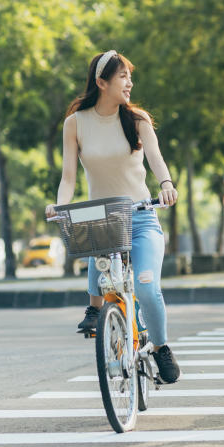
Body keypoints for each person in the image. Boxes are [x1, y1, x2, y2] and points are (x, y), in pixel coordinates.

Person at [45, 50, 181, 384]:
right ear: (101, 82)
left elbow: (157, 161)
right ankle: (97, 311)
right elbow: (68, 178)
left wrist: (166, 184)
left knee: (148, 288)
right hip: (102, 222)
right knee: (95, 258)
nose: (130, 83)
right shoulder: (76, 123)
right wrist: (59, 206)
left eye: (130, 76)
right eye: (123, 76)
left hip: (141, 218)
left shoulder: (137, 121)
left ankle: (161, 348)